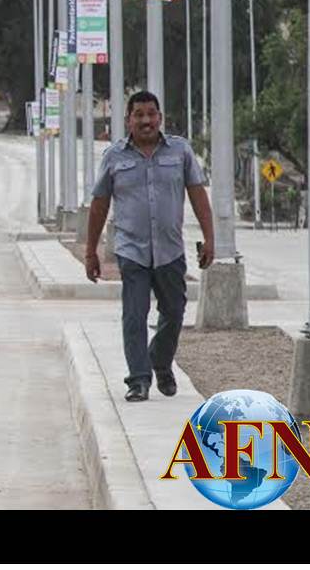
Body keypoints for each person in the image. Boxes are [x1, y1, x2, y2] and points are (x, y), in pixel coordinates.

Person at [85, 90, 215, 403]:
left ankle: (160, 360)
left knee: (174, 311)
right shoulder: (114, 157)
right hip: (132, 250)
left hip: (170, 250)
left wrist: (211, 238)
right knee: (134, 314)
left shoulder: (180, 151)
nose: (146, 121)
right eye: (139, 115)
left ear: (160, 118)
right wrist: (91, 251)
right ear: (128, 120)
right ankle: (139, 380)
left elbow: (197, 194)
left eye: (151, 114)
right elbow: (99, 204)